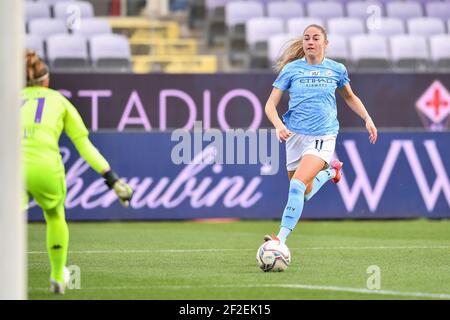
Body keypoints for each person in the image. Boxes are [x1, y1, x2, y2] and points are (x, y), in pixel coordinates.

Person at [22, 50, 133, 294]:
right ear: (46, 80)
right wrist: (112, 179)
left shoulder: (9, 98)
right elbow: (84, 146)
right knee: (54, 215)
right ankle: (57, 275)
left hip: (9, 168)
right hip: (44, 166)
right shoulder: (58, 101)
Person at [264, 25, 378, 244]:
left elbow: (350, 97)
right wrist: (279, 125)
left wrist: (367, 118)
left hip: (323, 136)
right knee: (303, 192)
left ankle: (280, 239)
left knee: (296, 185)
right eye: (306, 38)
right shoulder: (291, 70)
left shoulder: (336, 69)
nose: (310, 41)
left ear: (325, 43)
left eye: (315, 38)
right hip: (294, 137)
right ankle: (331, 172)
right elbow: (270, 104)